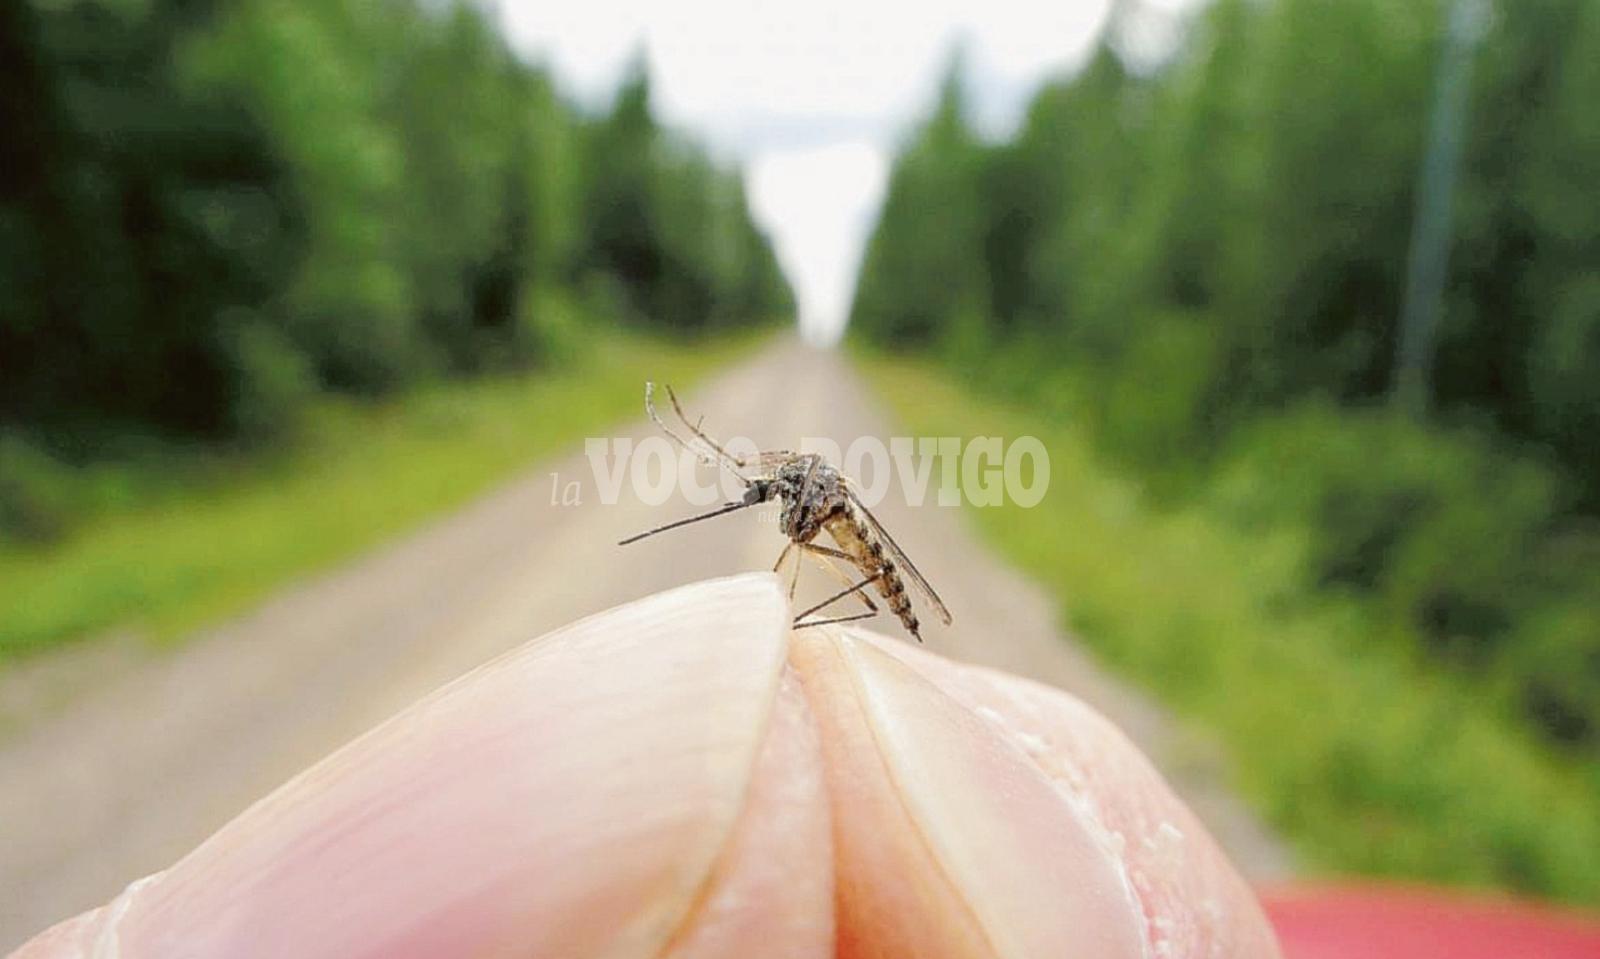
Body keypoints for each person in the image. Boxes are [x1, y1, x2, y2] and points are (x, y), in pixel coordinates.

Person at [11, 574, 1281, 958]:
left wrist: (825, 584)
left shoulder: (834, 518)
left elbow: (830, 543)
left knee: (830, 596)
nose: (791, 495)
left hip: (870, 591)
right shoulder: (798, 495)